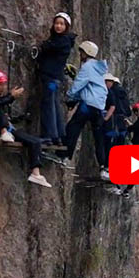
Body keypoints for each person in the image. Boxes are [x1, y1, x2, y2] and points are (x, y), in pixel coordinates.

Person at [0, 69, 53, 188]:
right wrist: (11, 96)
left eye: (3, 84)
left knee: (35, 142)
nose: (2, 87)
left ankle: (36, 173)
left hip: (5, 131)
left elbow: (4, 114)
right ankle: (4, 132)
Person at [55, 40, 109, 180]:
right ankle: (104, 167)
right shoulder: (99, 69)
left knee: (74, 127)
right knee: (98, 138)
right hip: (99, 107)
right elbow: (88, 87)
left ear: (87, 53)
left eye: (82, 52)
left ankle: (64, 155)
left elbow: (79, 84)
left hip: (88, 105)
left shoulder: (88, 66)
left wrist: (69, 97)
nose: (80, 54)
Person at [34, 12, 77, 145]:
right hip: (55, 78)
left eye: (61, 24)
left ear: (66, 26)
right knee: (54, 104)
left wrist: (42, 47)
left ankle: (49, 135)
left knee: (48, 104)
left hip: (51, 77)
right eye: (57, 23)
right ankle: (58, 135)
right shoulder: (63, 40)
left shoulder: (61, 40)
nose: (58, 26)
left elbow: (49, 47)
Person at [101, 73, 132, 163]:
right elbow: (128, 111)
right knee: (120, 144)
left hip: (114, 120)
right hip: (122, 122)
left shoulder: (112, 92)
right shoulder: (124, 94)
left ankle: (107, 164)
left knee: (109, 142)